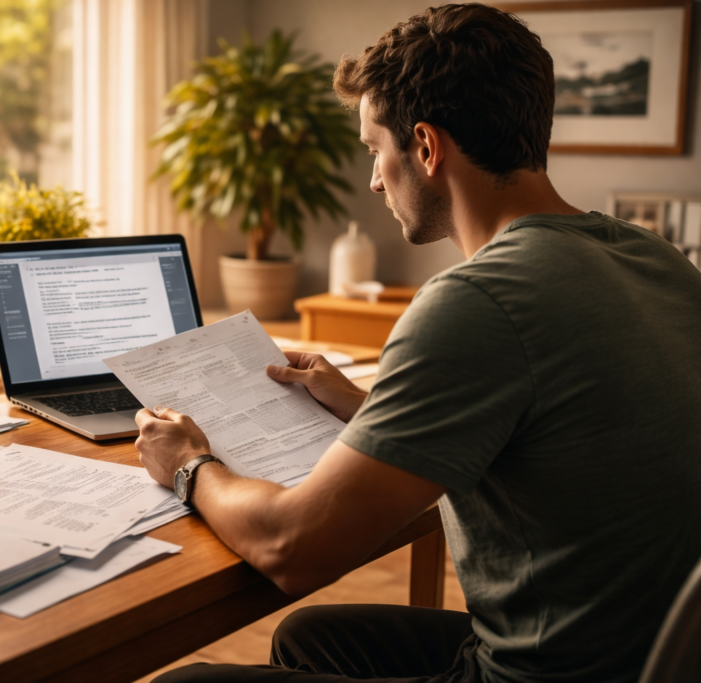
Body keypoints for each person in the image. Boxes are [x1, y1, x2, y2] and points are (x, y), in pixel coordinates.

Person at [134, 4, 701, 682]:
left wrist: (190, 463)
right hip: (651, 652)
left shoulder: (477, 301)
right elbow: (553, 424)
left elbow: (292, 548)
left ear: (426, 148)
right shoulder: (653, 257)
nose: (374, 179)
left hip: (541, 671)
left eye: (376, 149)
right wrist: (362, 403)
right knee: (316, 636)